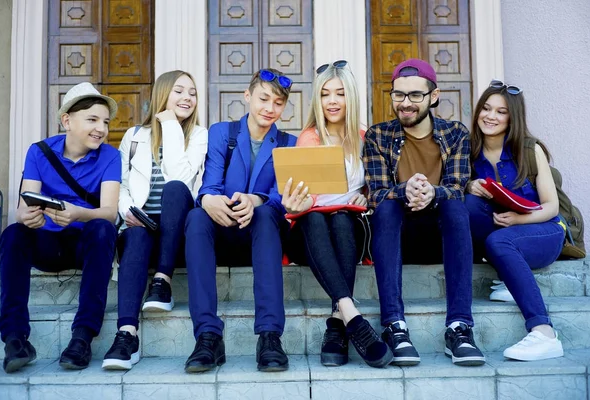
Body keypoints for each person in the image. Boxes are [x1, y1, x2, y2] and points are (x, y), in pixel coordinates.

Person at [364, 58, 485, 367]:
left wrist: (432, 193)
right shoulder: (378, 136)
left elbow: (457, 186)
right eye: (399, 94)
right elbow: (376, 194)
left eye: (415, 95)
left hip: (442, 238)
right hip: (395, 239)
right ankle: (395, 326)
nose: (405, 103)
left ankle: (459, 327)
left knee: (455, 207)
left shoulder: (455, 134)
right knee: (388, 208)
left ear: (433, 96)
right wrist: (405, 190)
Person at [0, 82, 120, 372]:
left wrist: (79, 213)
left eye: (104, 122)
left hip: (83, 245)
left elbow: (111, 212)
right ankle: (15, 339)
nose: (100, 129)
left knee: (103, 229)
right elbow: (22, 208)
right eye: (92, 119)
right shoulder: (39, 152)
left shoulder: (110, 156)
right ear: (67, 120)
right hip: (46, 244)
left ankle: (82, 337)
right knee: (13, 234)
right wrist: (28, 217)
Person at [183, 68, 297, 373]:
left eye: (278, 103)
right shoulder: (222, 132)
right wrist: (209, 199)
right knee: (196, 217)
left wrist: (256, 199)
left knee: (263, 214)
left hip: (264, 236)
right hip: (223, 231)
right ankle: (208, 336)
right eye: (263, 98)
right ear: (248, 97)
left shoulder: (289, 142)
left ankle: (270, 337)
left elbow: (281, 197)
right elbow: (210, 184)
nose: (269, 108)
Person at [282, 60, 391, 368]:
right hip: (309, 232)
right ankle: (352, 316)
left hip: (349, 228)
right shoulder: (309, 137)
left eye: (340, 93)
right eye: (325, 94)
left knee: (342, 218)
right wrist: (294, 204)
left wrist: (366, 197)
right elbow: (298, 198)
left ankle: (336, 324)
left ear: (351, 97)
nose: (332, 101)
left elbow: (378, 189)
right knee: (316, 217)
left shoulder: (366, 137)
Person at [101, 70, 208, 370]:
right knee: (134, 236)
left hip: (179, 229)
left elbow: (182, 180)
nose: (187, 97)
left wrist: (171, 125)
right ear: (162, 93)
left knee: (174, 190)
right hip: (142, 224)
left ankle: (162, 281)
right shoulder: (134, 136)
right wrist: (127, 210)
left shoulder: (199, 136)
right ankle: (126, 335)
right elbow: (120, 182)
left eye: (192, 92)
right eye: (179, 91)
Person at [465, 80, 565, 361]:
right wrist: (469, 186)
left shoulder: (530, 149)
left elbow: (551, 206)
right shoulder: (470, 151)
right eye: (486, 108)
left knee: (500, 240)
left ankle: (545, 332)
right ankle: (510, 276)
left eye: (501, 111)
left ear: (513, 118)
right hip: (502, 232)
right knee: (468, 205)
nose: (490, 116)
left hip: (543, 230)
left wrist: (520, 220)